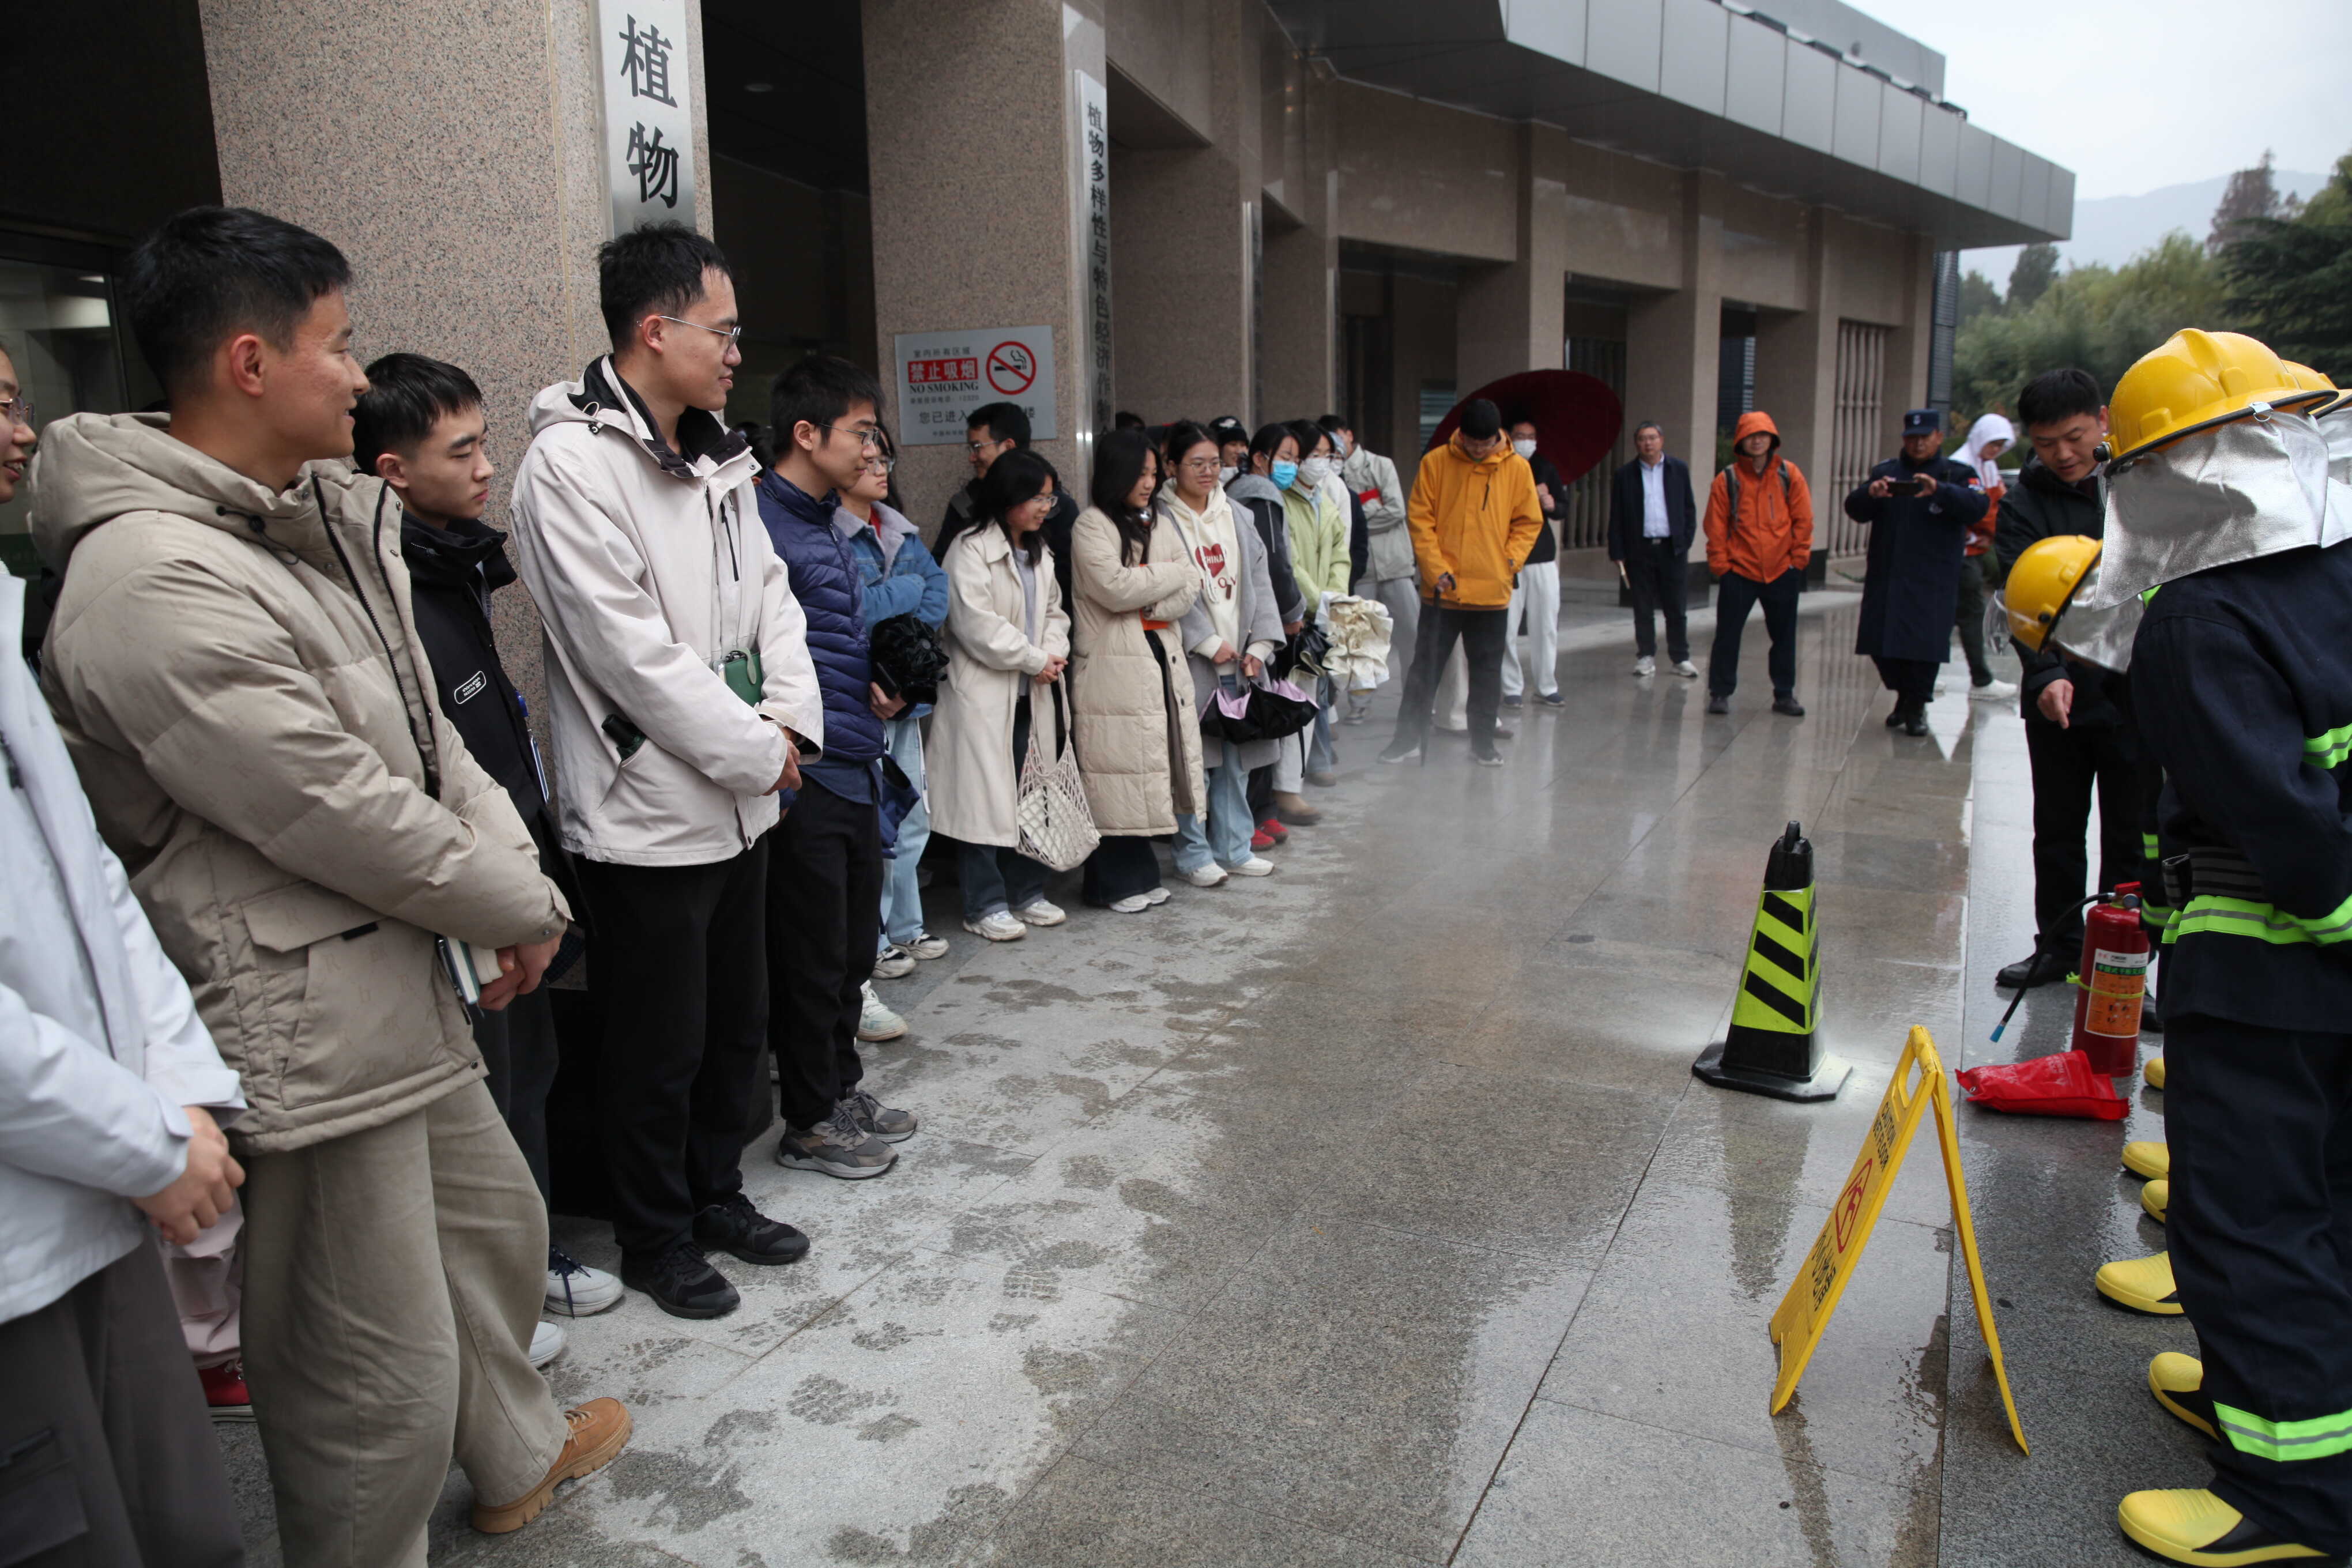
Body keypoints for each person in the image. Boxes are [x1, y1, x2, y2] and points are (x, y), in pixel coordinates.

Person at [36, 205, 626, 1560]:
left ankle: (515, 1453)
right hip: (304, 1003)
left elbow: (431, 744)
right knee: (366, 1352)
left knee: (487, 1231)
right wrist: (516, 902)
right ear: (249, 361)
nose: (359, 377)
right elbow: (337, 810)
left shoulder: (304, 520)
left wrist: (508, 891)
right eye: (335, 344)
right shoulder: (147, 578)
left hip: (393, 968)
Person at [509, 222, 823, 1321]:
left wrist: (789, 726)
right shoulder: (571, 466)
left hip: (745, 802)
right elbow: (629, 658)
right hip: (648, 812)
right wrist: (758, 748)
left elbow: (774, 604)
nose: (738, 352)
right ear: (656, 329)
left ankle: (717, 1191)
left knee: (738, 1022)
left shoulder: (717, 452)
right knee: (659, 1042)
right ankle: (656, 1235)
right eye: (723, 331)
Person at [2085, 330, 2350, 1567]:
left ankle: (2293, 1494)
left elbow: (2279, 820)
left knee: (2251, 1220)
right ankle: (2274, 1401)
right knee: (2330, 1203)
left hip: (2273, 970)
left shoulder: (2195, 615)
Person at [1, 353, 250, 1568]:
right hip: (34, 1206)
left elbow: (87, 880)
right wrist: (147, 1137)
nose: (23, 430)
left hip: (104, 1169)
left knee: (176, 1519)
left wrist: (178, 1090)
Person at [351, 353, 623, 1353]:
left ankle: (533, 1252)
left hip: (514, 871)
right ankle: (501, 1286)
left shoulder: (453, 563)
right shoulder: (391, 590)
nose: (483, 468)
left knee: (529, 1073)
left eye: (482, 442)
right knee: (489, 1089)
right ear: (390, 470)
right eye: (460, 450)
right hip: (463, 897)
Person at [752, 354, 920, 1183]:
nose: (873, 448)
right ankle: (810, 1120)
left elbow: (833, 642)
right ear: (807, 433)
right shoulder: (762, 525)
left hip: (856, 754)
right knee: (814, 956)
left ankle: (841, 1091)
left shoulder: (823, 520)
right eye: (861, 432)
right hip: (805, 773)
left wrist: (878, 689)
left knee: (853, 950)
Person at [1990, 368, 2141, 990]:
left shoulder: (2143, 483)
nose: (2064, 454)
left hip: (2136, 690)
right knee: (2057, 827)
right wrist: (2046, 670)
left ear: (2103, 420)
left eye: (2075, 437)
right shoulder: (2025, 501)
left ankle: (2126, 959)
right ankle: (2057, 944)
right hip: (2061, 692)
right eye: (2048, 442)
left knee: (2134, 834)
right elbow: (2018, 596)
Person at [931, 448, 1073, 940]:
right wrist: (1037, 659)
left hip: (1029, 695)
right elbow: (975, 625)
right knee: (983, 802)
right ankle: (984, 903)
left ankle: (1026, 891)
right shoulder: (970, 548)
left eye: (1050, 499)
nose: (1044, 508)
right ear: (1007, 496)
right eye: (1036, 497)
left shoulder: (1041, 552)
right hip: (984, 695)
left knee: (1033, 793)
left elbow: (1055, 613)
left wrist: (1052, 652)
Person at [1069, 429, 1205, 910]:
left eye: (1153, 472)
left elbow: (1192, 587)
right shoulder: (1091, 525)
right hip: (1112, 668)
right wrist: (1167, 577)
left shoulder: (1157, 519)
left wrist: (1153, 589)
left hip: (1156, 658)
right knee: (1115, 770)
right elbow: (1115, 589)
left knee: (1147, 767)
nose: (1150, 482)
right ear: (1116, 473)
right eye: (1141, 473)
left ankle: (1142, 876)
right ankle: (1111, 884)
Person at [842, 426, 951, 991]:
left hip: (905, 695)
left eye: (886, 456)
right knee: (876, 827)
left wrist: (900, 594)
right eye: (870, 456)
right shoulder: (830, 531)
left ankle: (907, 924)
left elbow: (939, 594)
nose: (882, 466)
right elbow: (850, 612)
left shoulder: (897, 528)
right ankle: (877, 938)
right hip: (860, 696)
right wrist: (903, 592)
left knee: (912, 818)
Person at [1377, 398, 1541, 767]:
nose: (1478, 449)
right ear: (1461, 435)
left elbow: (1528, 523)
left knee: (1486, 672)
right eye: (1472, 442)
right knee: (1425, 669)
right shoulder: (1436, 462)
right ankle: (1407, 740)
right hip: (1443, 592)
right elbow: (1421, 520)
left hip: (1492, 592)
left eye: (1485, 443)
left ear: (1497, 437)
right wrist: (1436, 570)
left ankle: (1482, 743)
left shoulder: (1517, 468)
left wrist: (1508, 562)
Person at [1167, 420, 1283, 883]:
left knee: (1235, 758)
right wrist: (1209, 642)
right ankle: (1194, 854)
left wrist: (1262, 643)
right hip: (1193, 658)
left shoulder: (1237, 514)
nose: (1208, 471)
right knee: (1194, 762)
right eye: (1196, 463)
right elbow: (1170, 588)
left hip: (1241, 657)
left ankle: (1234, 847)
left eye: (1215, 462)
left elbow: (1261, 583)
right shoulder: (1163, 519)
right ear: (1172, 466)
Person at [1846, 408, 1988, 736]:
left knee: (1924, 649)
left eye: (1925, 437)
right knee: (1882, 647)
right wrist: (1871, 493)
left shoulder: (1957, 473)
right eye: (1912, 438)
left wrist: (1938, 490)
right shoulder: (1887, 472)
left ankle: (1916, 707)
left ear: (1939, 437)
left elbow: (1978, 507)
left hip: (1932, 580)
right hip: (1888, 576)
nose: (1919, 444)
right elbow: (1854, 509)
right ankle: (1904, 696)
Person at [1227, 422, 1310, 833]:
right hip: (1260, 623)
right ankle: (1254, 814)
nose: (1292, 466)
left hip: (1259, 620)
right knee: (1257, 716)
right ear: (1260, 458)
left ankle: (1262, 811)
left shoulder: (1248, 494)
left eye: (1296, 459)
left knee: (1261, 715)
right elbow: (1275, 565)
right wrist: (1294, 612)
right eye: (1286, 458)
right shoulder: (1258, 496)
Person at [1702, 410, 1813, 718]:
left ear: (1772, 439)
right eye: (1751, 436)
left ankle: (1784, 694)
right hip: (1740, 570)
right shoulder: (1728, 479)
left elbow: (1804, 519)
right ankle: (1720, 693)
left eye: (1763, 435)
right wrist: (1721, 565)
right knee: (1727, 634)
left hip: (1782, 569)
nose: (1757, 441)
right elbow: (1715, 525)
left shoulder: (1789, 474)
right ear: (1741, 441)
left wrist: (1799, 559)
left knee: (1784, 636)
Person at [934, 399, 1080, 590]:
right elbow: (940, 571)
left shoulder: (1059, 508)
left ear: (1009, 447)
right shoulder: (964, 506)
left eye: (977, 447)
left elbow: (1068, 580)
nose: (972, 457)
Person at [1281, 420, 1348, 801]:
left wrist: (1333, 597)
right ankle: (1286, 788)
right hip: (1297, 613)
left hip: (1320, 614)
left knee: (1311, 698)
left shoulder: (1323, 498)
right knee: (1295, 700)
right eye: (1312, 456)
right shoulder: (1284, 499)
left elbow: (1340, 550)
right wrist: (1316, 599)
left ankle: (1296, 781)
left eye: (1326, 455)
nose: (1320, 463)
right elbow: (1289, 562)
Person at [1328, 414, 1411, 722]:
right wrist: (1369, 509)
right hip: (1361, 569)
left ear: (1350, 435)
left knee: (1412, 631)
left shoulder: (1381, 465)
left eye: (1338, 437)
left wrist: (1356, 523)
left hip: (1396, 564)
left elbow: (1396, 510)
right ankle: (1360, 703)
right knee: (1360, 636)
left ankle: (1418, 697)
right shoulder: (1331, 474)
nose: (1334, 445)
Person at [1608, 421, 1699, 679]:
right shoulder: (1625, 475)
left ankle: (1680, 657)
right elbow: (1616, 516)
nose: (1648, 443)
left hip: (1672, 548)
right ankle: (1646, 656)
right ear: (1636, 444)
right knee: (1642, 606)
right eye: (1642, 439)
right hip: (1640, 548)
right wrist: (1617, 550)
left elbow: (1688, 508)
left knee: (1676, 606)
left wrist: (1686, 539)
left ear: (1661, 440)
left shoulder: (1678, 470)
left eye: (1652, 438)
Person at [1499, 417, 1566, 708]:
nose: (1526, 440)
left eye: (1531, 435)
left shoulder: (1545, 467)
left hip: (1542, 556)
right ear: (1509, 437)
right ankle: (1511, 686)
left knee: (1546, 623)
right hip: (1509, 557)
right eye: (1520, 435)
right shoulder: (1498, 466)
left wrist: (1549, 502)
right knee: (1507, 625)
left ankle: (1546, 684)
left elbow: (1561, 508)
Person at [1955, 412, 2018, 701]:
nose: (1995, 451)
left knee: (1953, 614)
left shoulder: (1986, 466)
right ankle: (1980, 680)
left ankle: (1927, 677)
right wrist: (1996, 528)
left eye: (2000, 445)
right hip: (1961, 551)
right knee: (1970, 614)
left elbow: (1999, 502)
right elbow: (1980, 509)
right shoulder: (1963, 464)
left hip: (1974, 550)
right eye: (1992, 444)